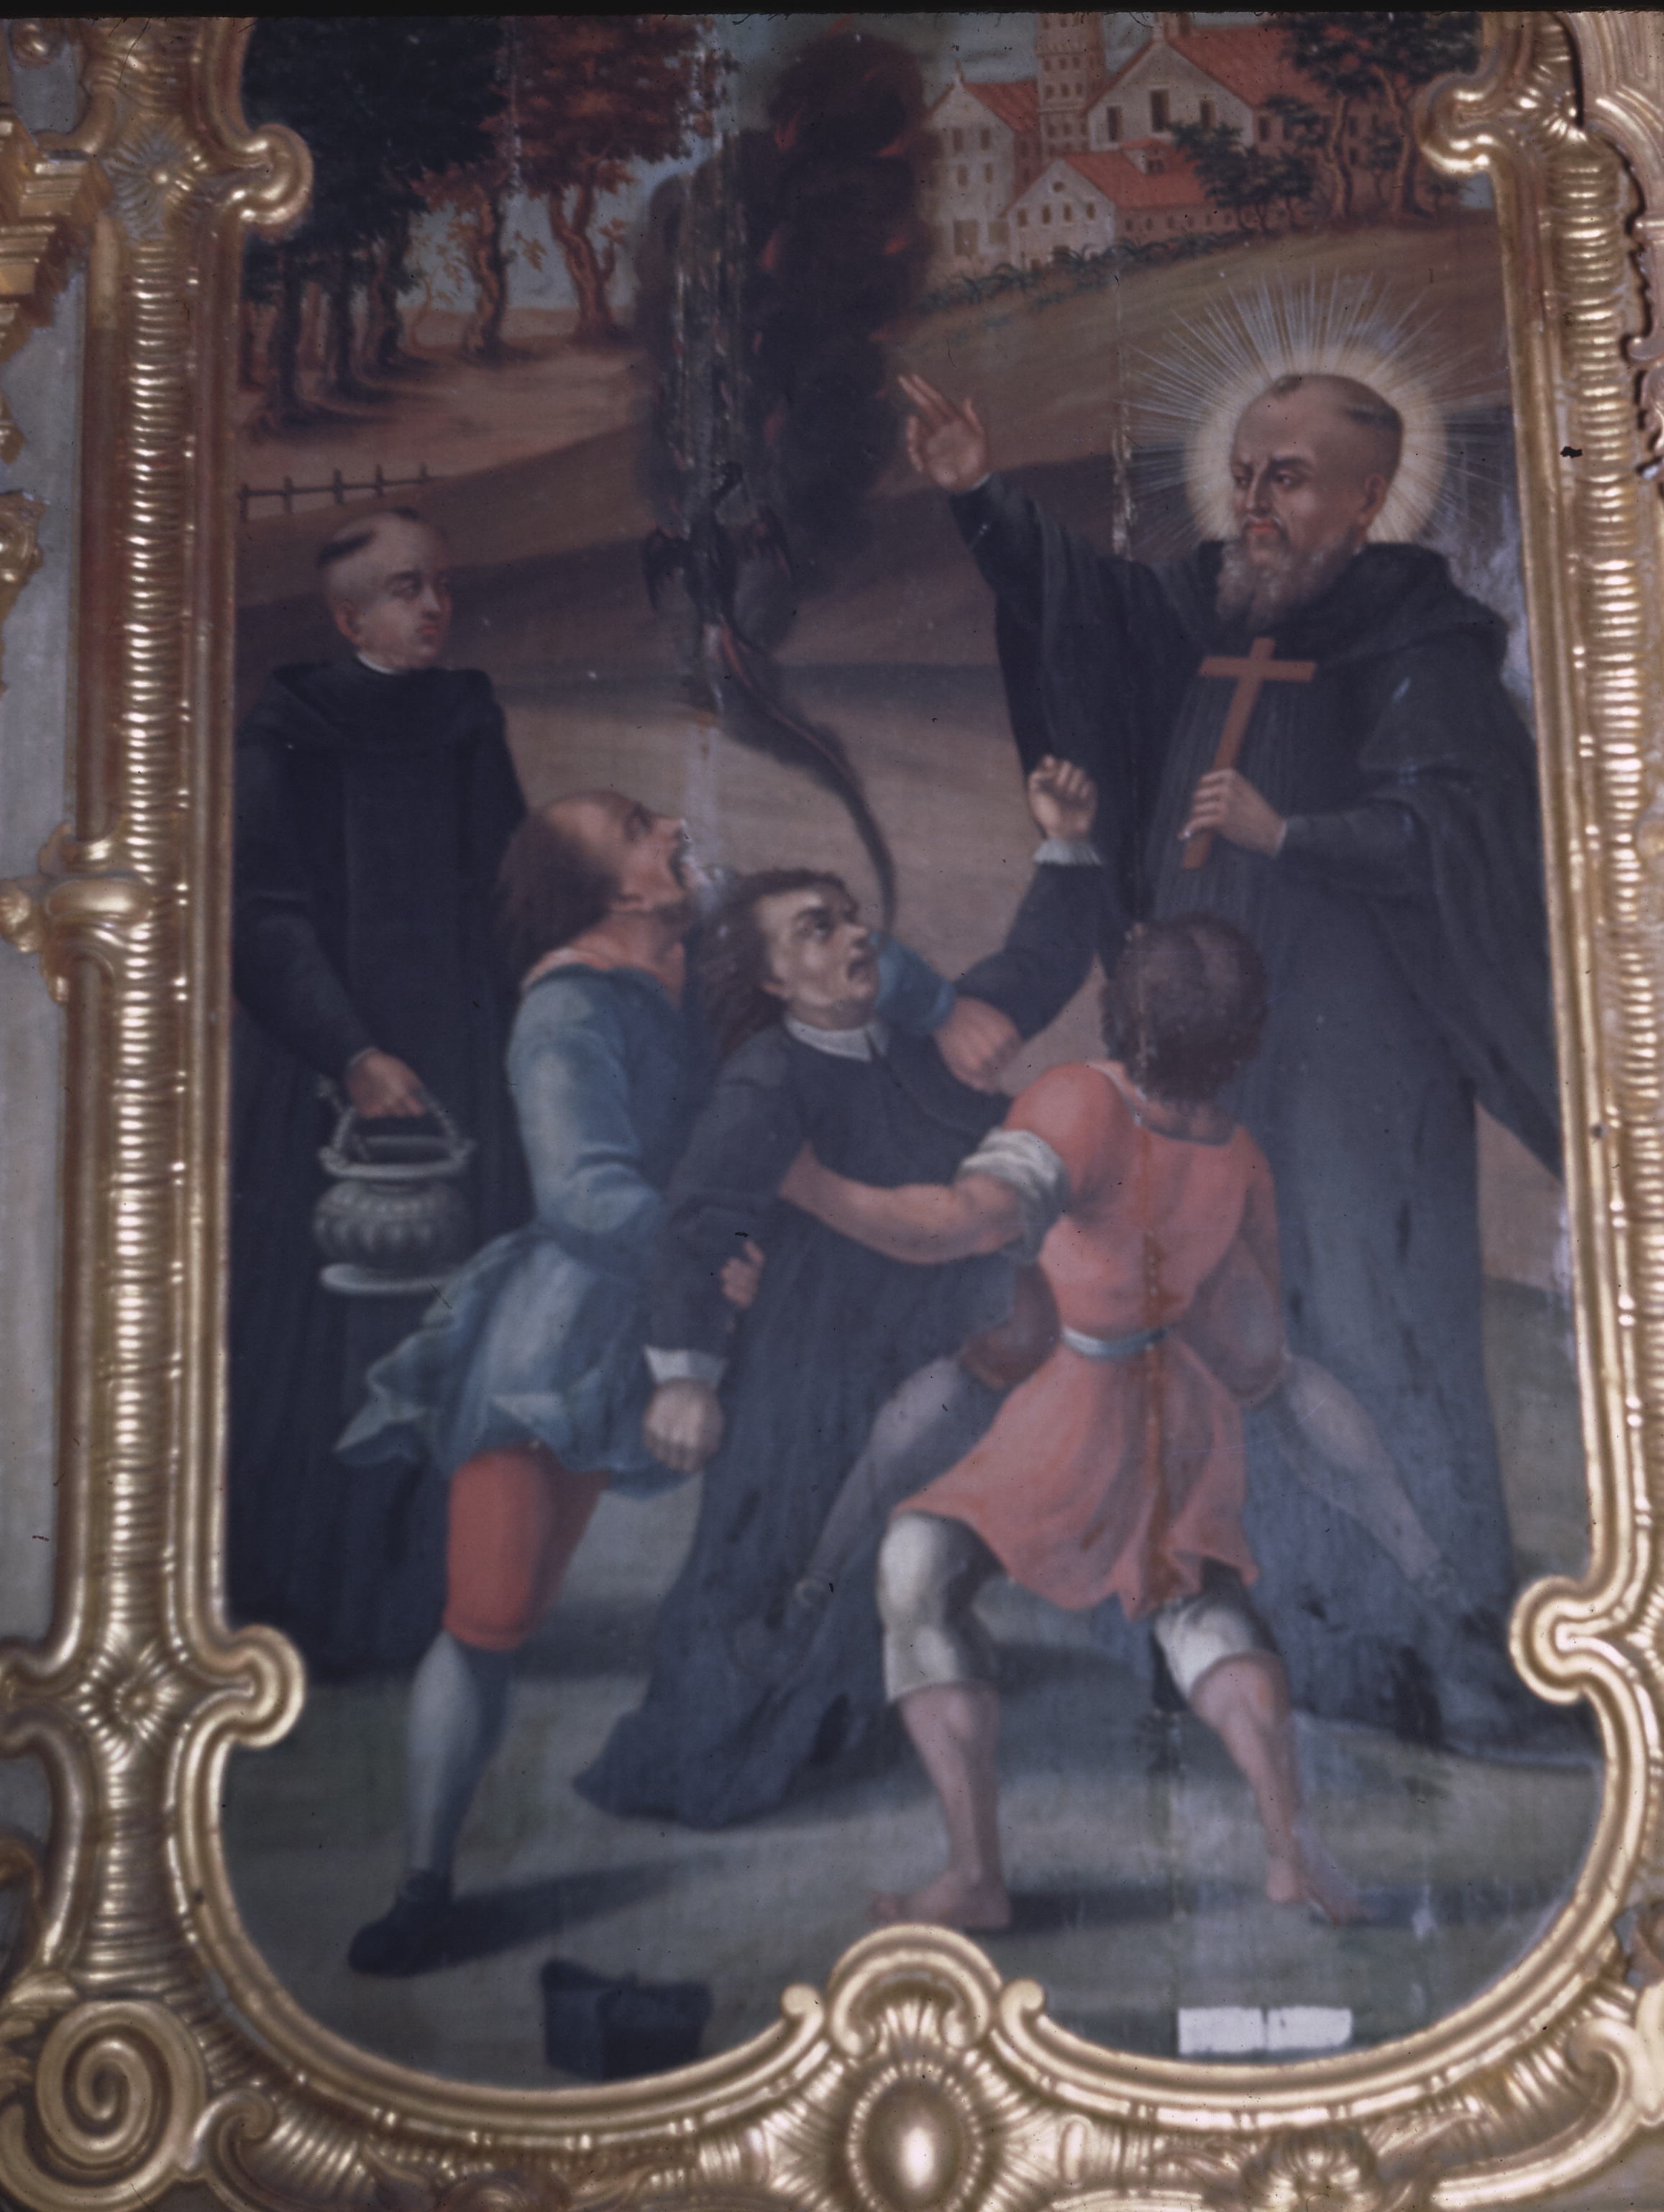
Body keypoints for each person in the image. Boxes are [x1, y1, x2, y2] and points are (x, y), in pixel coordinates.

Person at [897, 364, 1567, 1756]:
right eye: (1246, 473)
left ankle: (1444, 1653)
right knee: (1200, 1330)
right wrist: (978, 496)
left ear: (1368, 499)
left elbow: (1459, 835)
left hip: (1358, 1065)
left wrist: (1292, 834)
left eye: (1291, 479)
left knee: (1371, 1330)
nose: (1256, 503)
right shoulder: (1198, 607)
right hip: (1206, 1061)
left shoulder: (1419, 644)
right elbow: (1077, 607)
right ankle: (1247, 1635)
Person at [326, 789, 972, 1973]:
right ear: (614, 891)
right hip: (569, 1341)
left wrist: (942, 1008)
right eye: (638, 828)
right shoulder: (568, 1012)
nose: (672, 830)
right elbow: (584, 1195)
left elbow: (877, 967)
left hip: (730, 1311)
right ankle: (423, 1882)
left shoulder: (700, 957)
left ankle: (786, 1722)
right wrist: (712, 1258)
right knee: (490, 1611)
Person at [782, 913, 1369, 1932]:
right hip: (1176, 1411)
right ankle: (1291, 1851)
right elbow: (1251, 1347)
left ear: (1121, 1011)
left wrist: (804, 1182)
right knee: (1199, 1606)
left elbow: (960, 1225)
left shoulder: (1080, 1103)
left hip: (1075, 1403)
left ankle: (975, 1876)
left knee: (917, 1565)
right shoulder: (1240, 1157)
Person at [570, 759, 1116, 1829]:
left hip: (914, 1343)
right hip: (805, 1357)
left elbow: (1031, 975)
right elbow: (699, 1224)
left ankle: (845, 1723)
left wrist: (1063, 844)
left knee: (876, 1541)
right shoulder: (768, 1079)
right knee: (771, 1547)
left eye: (852, 918)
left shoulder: (920, 1049)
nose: (855, 937)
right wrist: (684, 1377)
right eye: (817, 930)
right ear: (772, 979)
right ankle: (707, 1761)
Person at [227, 509, 530, 1677]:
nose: (435, 608)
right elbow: (264, 917)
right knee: (324, 1349)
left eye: (440, 585)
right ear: (349, 620)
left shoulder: (464, 714)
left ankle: (440, 1605)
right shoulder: (288, 727)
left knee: (457, 1332)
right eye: (408, 590)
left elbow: (508, 885)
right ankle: (311, 1609)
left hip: (461, 1077)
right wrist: (350, 1051)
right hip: (329, 1079)